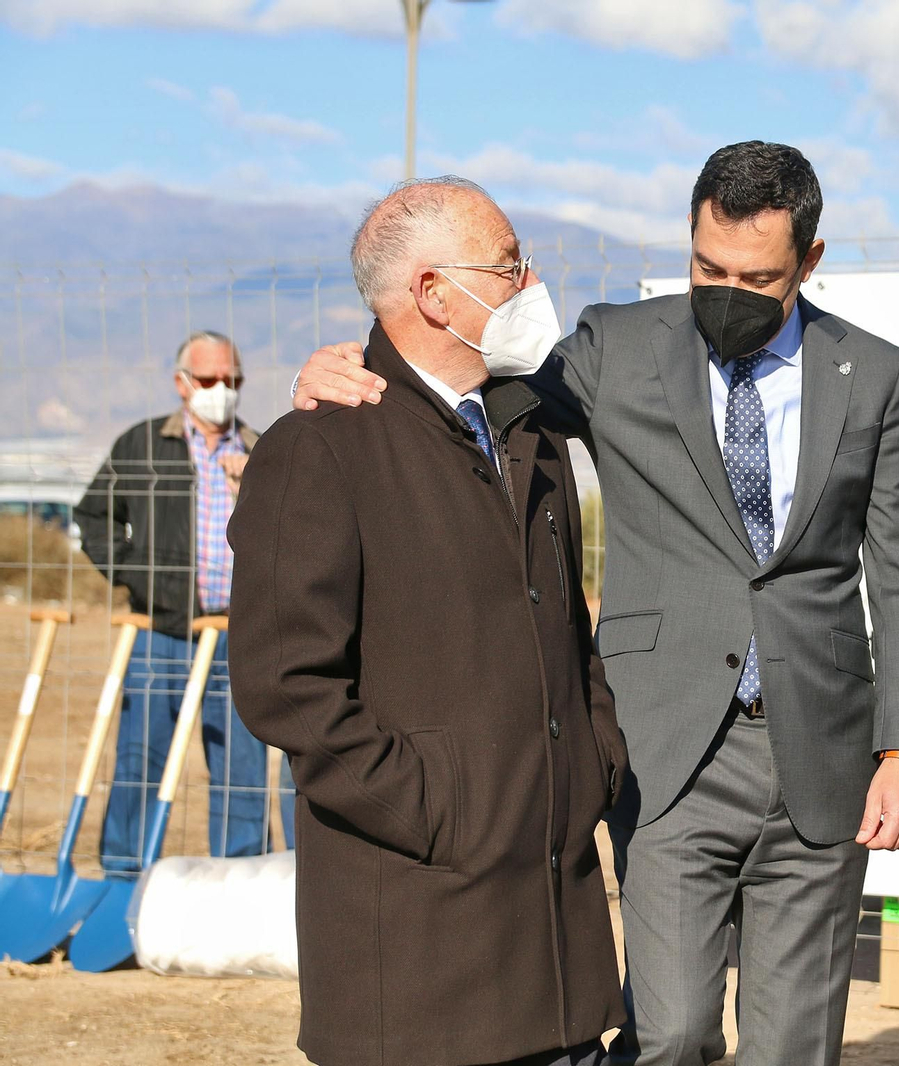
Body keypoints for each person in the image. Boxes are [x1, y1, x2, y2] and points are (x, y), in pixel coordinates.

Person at [290, 142, 899, 1066]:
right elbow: (450, 391)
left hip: (823, 751)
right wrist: (332, 377)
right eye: (706, 267)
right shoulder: (615, 348)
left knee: (795, 1043)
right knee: (670, 1034)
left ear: (811, 259)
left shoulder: (870, 373)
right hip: (668, 745)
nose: (727, 289)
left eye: (757, 276)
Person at [228, 176, 626, 1066]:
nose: (531, 284)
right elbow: (284, 686)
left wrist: (592, 758)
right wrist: (439, 807)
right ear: (434, 294)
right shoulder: (322, 446)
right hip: (415, 970)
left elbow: (567, 630)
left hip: (558, 958)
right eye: (509, 265)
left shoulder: (532, 434)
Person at [76, 330, 291, 873]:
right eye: (210, 379)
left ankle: (238, 879)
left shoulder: (263, 449)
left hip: (237, 636)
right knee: (140, 760)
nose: (223, 390)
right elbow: (94, 517)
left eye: (233, 380)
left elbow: (291, 536)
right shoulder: (142, 445)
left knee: (241, 768)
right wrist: (137, 579)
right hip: (162, 630)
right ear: (182, 383)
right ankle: (124, 878)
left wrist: (254, 491)